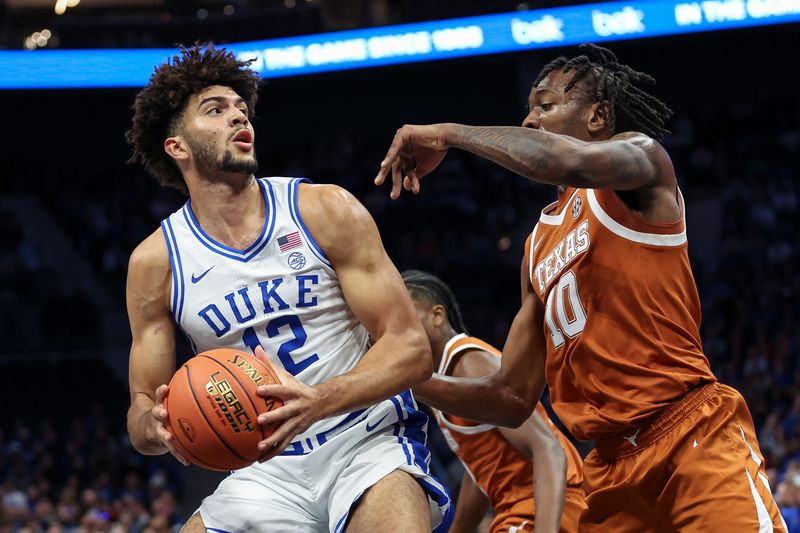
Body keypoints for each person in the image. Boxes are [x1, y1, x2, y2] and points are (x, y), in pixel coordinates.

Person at [375, 43, 785, 531]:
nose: (529, 121)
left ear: (599, 116)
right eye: (528, 111)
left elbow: (561, 161)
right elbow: (511, 394)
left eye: (545, 106)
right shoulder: (535, 249)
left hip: (690, 437)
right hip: (611, 472)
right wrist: (405, 381)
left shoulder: (642, 163)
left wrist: (447, 133)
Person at [124, 45, 452, 533]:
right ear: (178, 147)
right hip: (264, 469)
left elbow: (410, 350)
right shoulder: (155, 262)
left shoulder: (323, 208)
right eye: (216, 110)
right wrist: (158, 427)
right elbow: (141, 412)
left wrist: (318, 399)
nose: (238, 116)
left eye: (241, 107)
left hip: (363, 440)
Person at [402, 270, 586, 533]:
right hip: (519, 510)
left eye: (406, 312)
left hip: (543, 506)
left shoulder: (467, 361)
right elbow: (481, 471)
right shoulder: (439, 381)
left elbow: (549, 448)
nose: (397, 323)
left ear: (437, 315)